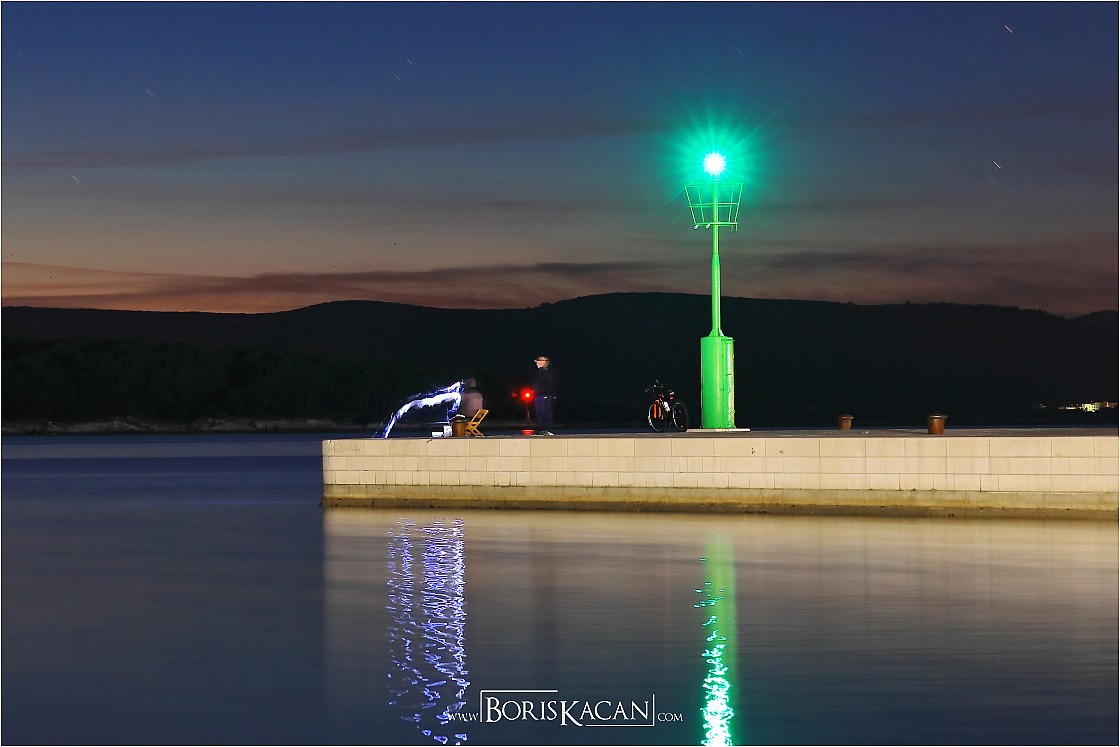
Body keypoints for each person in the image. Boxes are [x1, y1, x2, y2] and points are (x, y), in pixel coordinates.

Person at [532, 356, 556, 435]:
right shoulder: (539, 372)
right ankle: (541, 429)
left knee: (546, 412)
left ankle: (548, 429)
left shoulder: (549, 372)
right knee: (539, 413)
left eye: (537, 362)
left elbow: (550, 383)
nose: (536, 363)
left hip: (545, 395)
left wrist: (546, 393)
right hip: (538, 395)